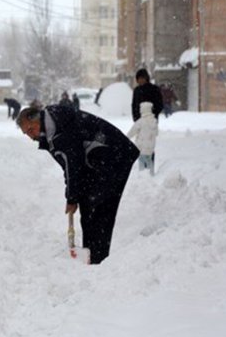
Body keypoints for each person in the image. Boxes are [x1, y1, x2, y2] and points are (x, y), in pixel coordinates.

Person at [17, 105, 139, 264]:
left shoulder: (58, 128)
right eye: (26, 133)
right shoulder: (50, 129)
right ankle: (91, 254)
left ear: (37, 120)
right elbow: (68, 165)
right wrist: (74, 195)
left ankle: (98, 260)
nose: (31, 137)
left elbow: (73, 163)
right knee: (88, 204)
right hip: (98, 160)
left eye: (30, 130)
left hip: (114, 155)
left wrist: (72, 198)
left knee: (99, 205)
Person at [127, 102, 158, 175]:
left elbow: (132, 131)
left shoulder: (140, 121)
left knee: (142, 163)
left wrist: (127, 137)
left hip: (142, 146)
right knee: (149, 161)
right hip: (150, 146)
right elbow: (156, 133)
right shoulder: (154, 121)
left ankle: (143, 177)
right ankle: (151, 175)